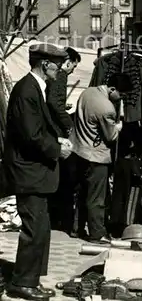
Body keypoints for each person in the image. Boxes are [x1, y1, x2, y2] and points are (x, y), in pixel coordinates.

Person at [3, 43, 71, 300]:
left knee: (41, 227)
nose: (61, 69)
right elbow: (31, 135)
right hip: (27, 173)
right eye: (58, 65)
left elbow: (38, 128)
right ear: (45, 65)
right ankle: (22, 283)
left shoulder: (36, 88)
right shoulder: (27, 90)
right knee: (34, 228)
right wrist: (57, 149)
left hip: (34, 173)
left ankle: (31, 279)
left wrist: (57, 140)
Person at [70, 73, 126, 244]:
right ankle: (97, 233)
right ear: (112, 89)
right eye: (121, 94)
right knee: (96, 198)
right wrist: (119, 124)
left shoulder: (87, 92)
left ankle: (75, 228)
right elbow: (111, 136)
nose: (121, 98)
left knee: (81, 194)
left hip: (79, 150)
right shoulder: (106, 107)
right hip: (97, 157)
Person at [46, 47, 81, 233]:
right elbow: (53, 103)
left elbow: (54, 102)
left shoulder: (54, 75)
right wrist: (69, 124)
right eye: (73, 67)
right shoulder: (61, 75)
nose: (72, 70)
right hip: (56, 131)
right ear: (68, 62)